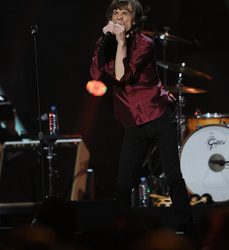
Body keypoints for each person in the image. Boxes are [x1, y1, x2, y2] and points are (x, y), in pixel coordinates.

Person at [90, 0, 192, 232]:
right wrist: (104, 42)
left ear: (134, 20)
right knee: (123, 183)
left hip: (156, 112)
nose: (118, 17)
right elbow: (96, 74)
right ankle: (121, 230)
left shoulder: (144, 44)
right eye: (115, 12)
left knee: (173, 176)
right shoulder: (105, 42)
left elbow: (123, 76)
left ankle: (186, 229)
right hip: (132, 119)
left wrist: (121, 43)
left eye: (124, 13)